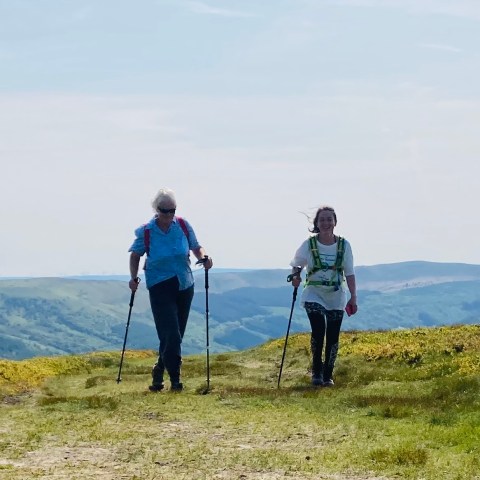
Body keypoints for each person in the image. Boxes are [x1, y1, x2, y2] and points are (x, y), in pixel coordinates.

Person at [128, 188, 213, 392]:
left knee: (175, 334)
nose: (168, 215)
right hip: (159, 284)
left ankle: (159, 370)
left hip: (184, 284)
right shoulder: (147, 231)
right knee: (171, 333)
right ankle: (175, 379)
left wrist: (204, 257)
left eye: (171, 210)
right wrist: (133, 278)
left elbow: (196, 246)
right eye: (164, 210)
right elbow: (135, 255)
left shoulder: (183, 225)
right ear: (156, 209)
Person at [289, 205, 357, 387]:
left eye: (329, 219)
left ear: (335, 222)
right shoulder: (309, 245)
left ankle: (328, 375)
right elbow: (297, 264)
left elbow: (349, 273)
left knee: (333, 336)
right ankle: (317, 373)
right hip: (314, 294)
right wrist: (295, 276)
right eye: (322, 219)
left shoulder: (344, 246)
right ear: (317, 223)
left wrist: (353, 297)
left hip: (337, 295)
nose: (326, 223)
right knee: (319, 331)